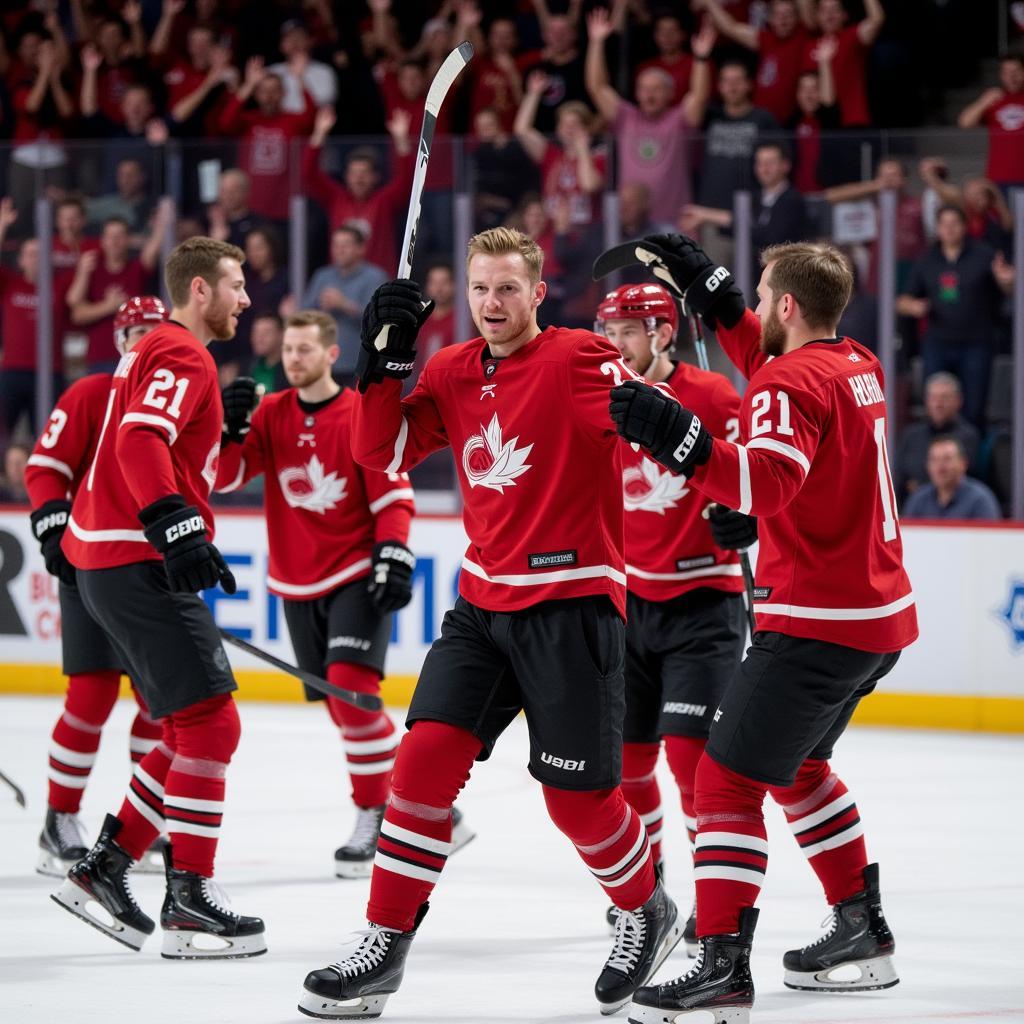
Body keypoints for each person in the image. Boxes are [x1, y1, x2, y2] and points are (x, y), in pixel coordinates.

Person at [297, 228, 683, 1019]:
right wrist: (383, 367)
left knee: (576, 802)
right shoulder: (451, 369)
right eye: (479, 289)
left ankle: (645, 909)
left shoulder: (577, 356)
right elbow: (383, 454)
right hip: (482, 608)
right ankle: (383, 941)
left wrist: (670, 422)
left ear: (538, 294)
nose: (493, 304)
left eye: (508, 289)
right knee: (421, 768)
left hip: (571, 606)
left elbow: (648, 407)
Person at [605, 234, 917, 1020]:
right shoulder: (856, 363)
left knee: (724, 781)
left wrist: (680, 440)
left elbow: (767, 480)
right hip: (876, 615)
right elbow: (782, 378)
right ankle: (860, 927)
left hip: (817, 620)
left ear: (785, 305)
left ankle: (720, 963)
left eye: (758, 293)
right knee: (799, 769)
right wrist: (722, 300)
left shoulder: (785, 384)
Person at [52, 237, 266, 960]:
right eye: (236, 286)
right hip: (134, 558)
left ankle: (105, 866)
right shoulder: (182, 352)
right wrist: (174, 526)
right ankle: (190, 897)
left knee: (185, 727)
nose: (246, 299)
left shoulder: (159, 353)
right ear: (199, 290)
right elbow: (142, 439)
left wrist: (221, 447)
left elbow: (173, 453)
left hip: (110, 561)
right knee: (212, 723)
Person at [215, 309, 471, 873]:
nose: (294, 360)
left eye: (305, 349)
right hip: (296, 580)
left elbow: (392, 494)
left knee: (352, 692)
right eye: (288, 350)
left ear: (331, 354)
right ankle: (434, 807)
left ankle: (375, 812)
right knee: (341, 704)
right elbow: (225, 476)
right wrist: (227, 431)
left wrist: (393, 550)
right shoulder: (272, 412)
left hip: (354, 574)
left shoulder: (357, 410)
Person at [594, 282, 748, 953]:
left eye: (625, 329)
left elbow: (761, 476)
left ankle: (712, 901)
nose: (612, 342)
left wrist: (748, 512)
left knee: (691, 765)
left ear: (661, 331)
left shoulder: (714, 397)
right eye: (607, 328)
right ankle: (651, 888)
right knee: (627, 767)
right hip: (627, 606)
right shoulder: (599, 394)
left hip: (702, 607)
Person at [26, 296, 169, 878]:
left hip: (150, 570)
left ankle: (142, 820)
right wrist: (53, 521)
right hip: (87, 562)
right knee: (90, 700)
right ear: (117, 339)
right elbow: (44, 467)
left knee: (159, 709)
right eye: (135, 332)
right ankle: (59, 818)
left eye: (155, 332)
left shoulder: (171, 397)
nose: (144, 342)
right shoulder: (90, 393)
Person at [584, 8, 714, 226]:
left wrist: (700, 58)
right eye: (644, 89)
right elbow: (597, 87)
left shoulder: (679, 119)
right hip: (631, 225)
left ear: (670, 94)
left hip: (674, 225)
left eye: (657, 89)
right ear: (636, 93)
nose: (649, 95)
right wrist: (596, 43)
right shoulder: (626, 116)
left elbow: (699, 96)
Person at [897, 205, 1015, 430]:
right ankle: (937, 456)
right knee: (935, 408)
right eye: (944, 224)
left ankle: (971, 461)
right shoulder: (927, 259)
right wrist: (912, 306)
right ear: (937, 228)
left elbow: (1007, 291)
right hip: (937, 342)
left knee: (973, 409)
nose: (949, 229)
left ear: (964, 226)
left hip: (977, 342)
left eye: (955, 223)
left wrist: (1006, 280)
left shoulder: (984, 255)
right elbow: (902, 300)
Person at [302, 106, 414, 274]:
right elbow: (308, 173)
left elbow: (409, 180)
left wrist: (401, 140)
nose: (358, 179)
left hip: (378, 285)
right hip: (341, 280)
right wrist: (319, 134)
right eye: (353, 174)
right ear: (346, 176)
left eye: (364, 173)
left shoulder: (384, 201)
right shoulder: (336, 198)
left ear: (375, 177)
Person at [683, 141, 807, 292]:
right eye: (760, 163)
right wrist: (706, 217)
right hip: (753, 278)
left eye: (770, 163)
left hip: (784, 279)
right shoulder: (755, 198)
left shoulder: (792, 200)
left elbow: (769, 236)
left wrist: (708, 215)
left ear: (785, 165)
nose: (764, 169)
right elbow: (736, 226)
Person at [694, 61, 779, 265]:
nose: (732, 86)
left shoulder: (763, 119)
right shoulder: (709, 118)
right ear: (719, 86)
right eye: (726, 81)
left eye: (738, 81)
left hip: (751, 220)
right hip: (712, 220)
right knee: (717, 287)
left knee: (750, 288)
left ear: (749, 84)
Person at [66, 210, 170, 374]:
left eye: (120, 236)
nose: (115, 241)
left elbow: (151, 252)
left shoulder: (135, 269)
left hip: (134, 356)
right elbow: (75, 308)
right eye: (110, 236)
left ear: (128, 240)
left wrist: (161, 226)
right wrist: (109, 306)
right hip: (99, 358)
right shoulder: (93, 270)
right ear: (103, 241)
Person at [217, 58, 316, 224]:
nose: (269, 96)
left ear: (284, 93)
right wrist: (248, 85)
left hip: (285, 208)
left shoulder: (293, 120)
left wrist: (300, 78)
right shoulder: (249, 121)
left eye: (274, 91)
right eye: (263, 91)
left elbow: (312, 119)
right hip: (251, 207)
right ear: (256, 95)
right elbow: (226, 122)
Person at [0, 198, 66, 437]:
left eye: (40, 254)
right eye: (30, 254)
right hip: (13, 370)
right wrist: (2, 226)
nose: (35, 258)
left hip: (50, 372)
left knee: (49, 437)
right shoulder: (10, 283)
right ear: (20, 260)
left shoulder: (60, 285)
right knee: (3, 435)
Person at [697, 0, 811, 123]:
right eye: (777, 14)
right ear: (770, 18)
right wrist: (710, 3)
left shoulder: (802, 36)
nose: (783, 19)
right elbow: (731, 28)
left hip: (787, 122)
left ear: (797, 18)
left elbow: (805, 4)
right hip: (757, 119)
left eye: (788, 14)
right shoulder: (766, 39)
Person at [301, 225, 389, 384]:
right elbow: (304, 313)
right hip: (324, 361)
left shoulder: (375, 277)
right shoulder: (323, 275)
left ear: (361, 248)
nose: (339, 250)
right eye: (335, 245)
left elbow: (380, 321)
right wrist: (318, 307)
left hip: (359, 363)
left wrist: (344, 304)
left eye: (345, 245)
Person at [894, 372, 980, 502]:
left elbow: (964, 479)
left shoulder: (969, 436)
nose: (938, 404)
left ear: (958, 401)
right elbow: (898, 478)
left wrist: (919, 485)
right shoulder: (911, 435)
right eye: (933, 398)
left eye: (944, 398)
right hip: (913, 511)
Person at [957, 53, 1024, 192]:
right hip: (997, 178)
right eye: (1006, 72)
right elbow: (964, 122)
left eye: (1016, 71)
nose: (1011, 77)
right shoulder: (995, 99)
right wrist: (983, 102)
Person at [903, 436, 1001, 521]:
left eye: (947, 459)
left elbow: (987, 540)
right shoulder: (918, 499)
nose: (940, 467)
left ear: (963, 464)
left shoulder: (980, 500)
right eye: (934, 460)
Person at [247, 312, 289, 394]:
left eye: (266, 332)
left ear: (281, 335)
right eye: (256, 332)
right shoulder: (246, 368)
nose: (259, 338)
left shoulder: (291, 370)